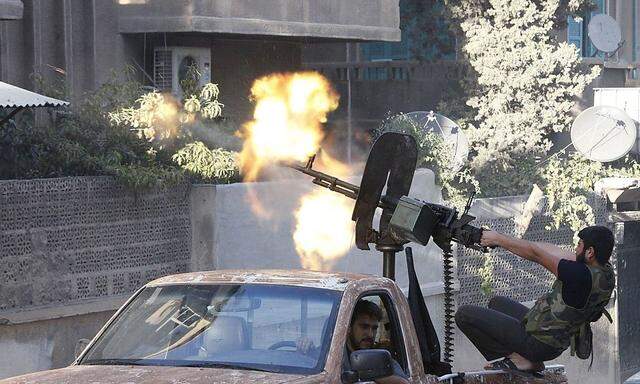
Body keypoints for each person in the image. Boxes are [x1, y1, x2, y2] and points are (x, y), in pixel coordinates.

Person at [455, 225, 615, 375]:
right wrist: (506, 240)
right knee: (496, 303)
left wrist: (498, 239)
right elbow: (554, 251)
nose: (575, 248)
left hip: (539, 344)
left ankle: (521, 360)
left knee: (464, 315)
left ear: (590, 252)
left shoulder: (578, 274)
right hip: (554, 338)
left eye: (579, 244)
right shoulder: (604, 272)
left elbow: (536, 255)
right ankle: (528, 360)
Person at [297, 300, 409, 384]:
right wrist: (303, 349)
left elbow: (403, 382)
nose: (370, 334)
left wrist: (371, 372)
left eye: (374, 328)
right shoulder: (329, 356)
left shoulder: (378, 357)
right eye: (364, 327)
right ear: (349, 327)